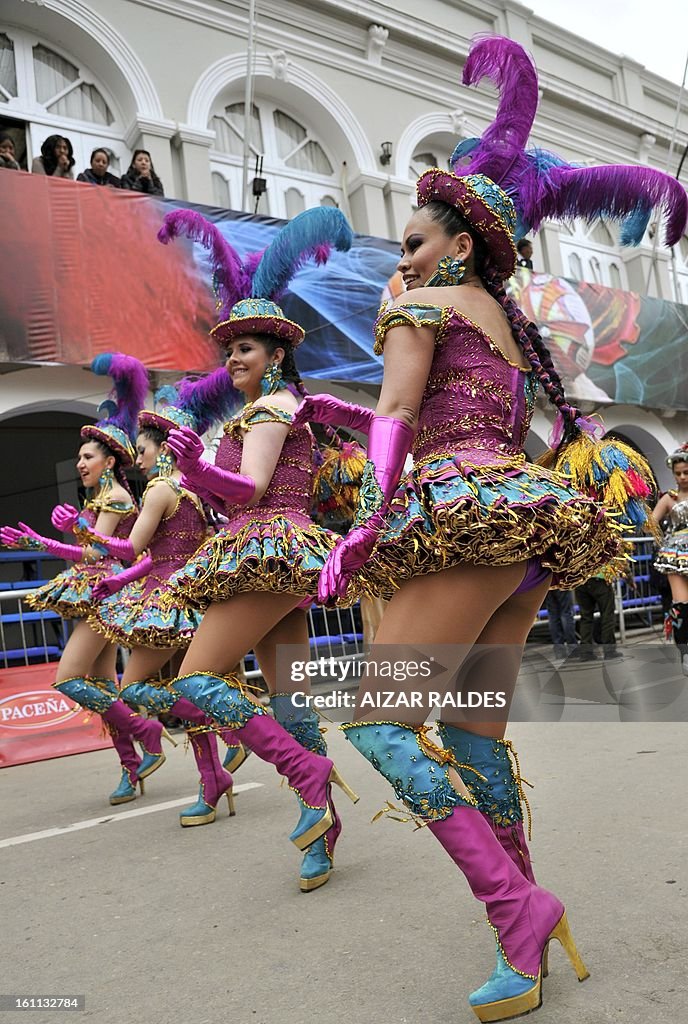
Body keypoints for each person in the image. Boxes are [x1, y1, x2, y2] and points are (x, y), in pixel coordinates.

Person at [296, 34, 684, 1022]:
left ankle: (517, 907)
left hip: (461, 526)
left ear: (456, 245)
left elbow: (395, 422)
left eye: (414, 241)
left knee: (380, 726)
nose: (402, 256)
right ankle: (526, 930)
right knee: (470, 735)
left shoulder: (423, 304)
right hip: (519, 531)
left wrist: (360, 526)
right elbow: (444, 414)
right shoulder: (507, 328)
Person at [135, 206, 358, 890]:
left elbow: (251, 485)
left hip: (266, 548)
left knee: (195, 681)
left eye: (246, 349)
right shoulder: (271, 408)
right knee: (291, 702)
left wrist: (199, 472)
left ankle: (305, 771)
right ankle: (320, 828)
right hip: (273, 554)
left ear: (277, 354)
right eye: (228, 348)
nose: (232, 357)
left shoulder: (271, 408)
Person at [0, 353, 176, 804]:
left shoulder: (116, 495)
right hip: (93, 594)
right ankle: (131, 764)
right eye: (78, 457)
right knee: (100, 686)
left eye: (86, 456)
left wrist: (45, 542)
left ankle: (145, 729)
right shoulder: (97, 498)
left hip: (107, 595)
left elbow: (95, 552)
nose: (79, 463)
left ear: (109, 461)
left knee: (69, 678)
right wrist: (41, 541)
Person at [85, 368, 248, 823]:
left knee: (135, 687)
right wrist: (120, 580)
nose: (138, 458)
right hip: (190, 600)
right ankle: (213, 778)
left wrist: (80, 532)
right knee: (186, 683)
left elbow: (129, 547)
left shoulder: (158, 489)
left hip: (162, 603)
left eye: (143, 449)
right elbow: (163, 553)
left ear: (162, 450)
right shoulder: (194, 493)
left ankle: (222, 729)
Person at [652, 445, 688, 673]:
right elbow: (650, 523)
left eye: (686, 472)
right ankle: (685, 653)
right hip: (676, 554)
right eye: (678, 473)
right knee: (681, 605)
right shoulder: (669, 498)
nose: (682, 477)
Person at [574, 571, 621, 660]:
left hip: (580, 580)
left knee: (585, 617)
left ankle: (585, 652)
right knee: (607, 615)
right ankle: (609, 651)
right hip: (600, 579)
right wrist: (629, 578)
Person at [543, 589, 578, 659]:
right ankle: (572, 648)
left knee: (553, 615)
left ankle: (559, 651)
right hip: (561, 582)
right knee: (566, 613)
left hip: (547, 585)